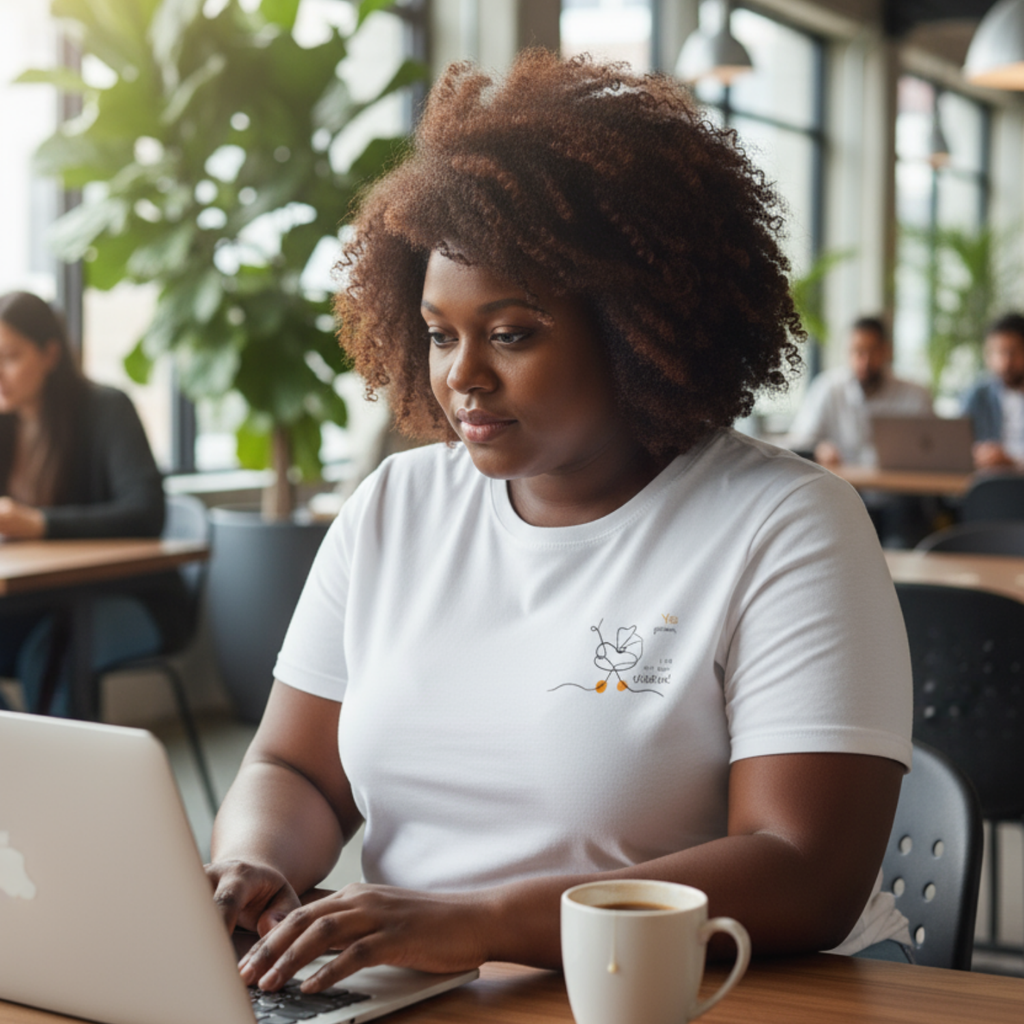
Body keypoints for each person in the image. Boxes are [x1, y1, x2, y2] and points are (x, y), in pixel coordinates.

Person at [206, 51, 914, 992]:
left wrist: (483, 924)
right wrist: (254, 861)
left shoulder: (785, 524)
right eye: (440, 334)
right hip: (431, 989)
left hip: (706, 991)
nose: (462, 376)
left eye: (511, 333)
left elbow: (806, 868)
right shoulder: (393, 507)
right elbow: (297, 770)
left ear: (636, 327)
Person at [0, 290, 184, 715]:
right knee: (47, 644)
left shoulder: (105, 410)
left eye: (10, 357)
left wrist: (39, 524)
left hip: (132, 598)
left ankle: (51, 759)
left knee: (50, 652)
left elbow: (145, 513)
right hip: (40, 599)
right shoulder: (6, 427)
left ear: (50, 354)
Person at [787, 317, 933, 468]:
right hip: (840, 480)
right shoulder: (827, 388)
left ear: (886, 351)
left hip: (899, 481)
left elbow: (931, 446)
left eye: (872, 351)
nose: (865, 362)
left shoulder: (915, 395)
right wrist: (818, 449)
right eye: (857, 351)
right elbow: (799, 440)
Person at [961, 312, 1024, 470]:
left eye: (1012, 352)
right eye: (998, 352)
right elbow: (957, 446)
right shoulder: (977, 396)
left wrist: (1012, 461)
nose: (1005, 362)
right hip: (988, 478)